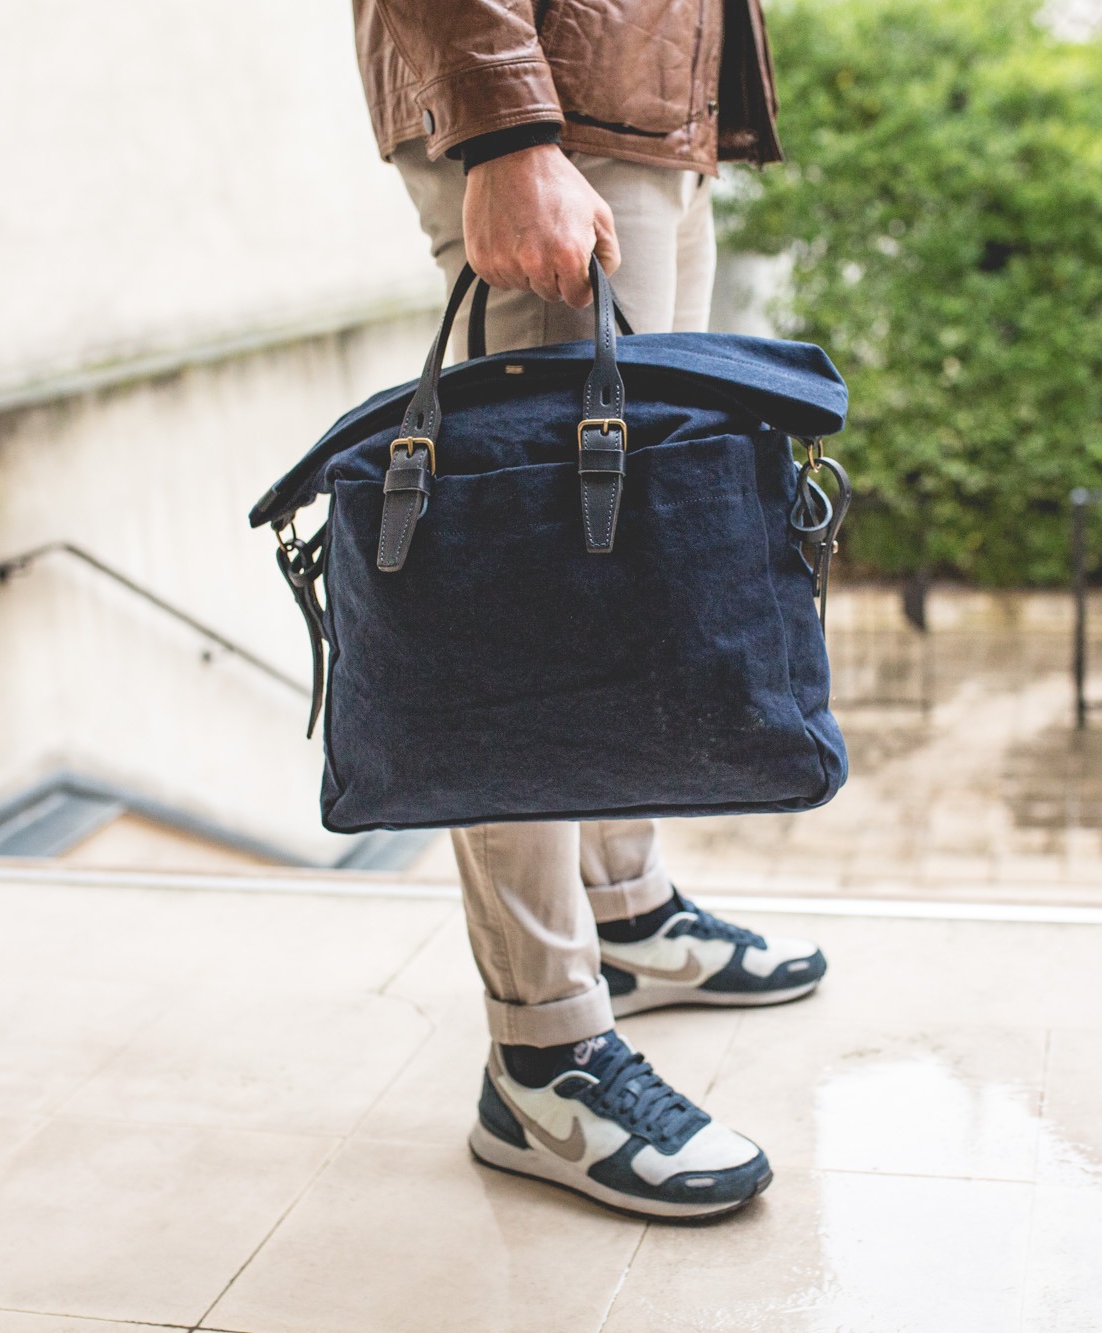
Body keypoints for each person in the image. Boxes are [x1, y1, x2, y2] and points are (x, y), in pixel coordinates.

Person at [351, 0, 826, 1220]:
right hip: (546, 104)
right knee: (529, 591)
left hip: (640, 107)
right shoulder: (521, 125)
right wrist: (506, 128)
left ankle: (623, 908)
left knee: (625, 555)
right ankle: (541, 1052)